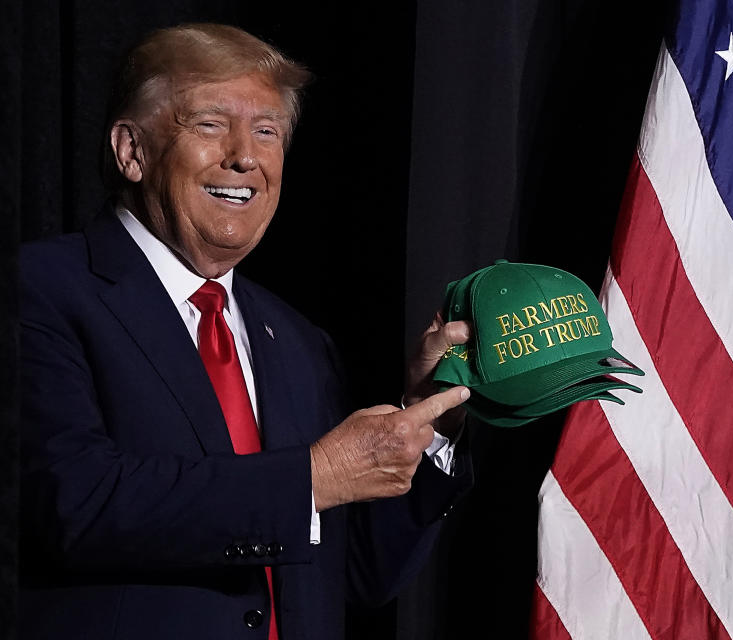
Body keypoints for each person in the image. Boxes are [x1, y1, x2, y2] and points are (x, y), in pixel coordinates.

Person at [18, 23, 472, 640]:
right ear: (132, 151)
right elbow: (74, 502)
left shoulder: (299, 342)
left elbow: (355, 579)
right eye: (209, 124)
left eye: (268, 132)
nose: (246, 156)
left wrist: (427, 417)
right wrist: (310, 477)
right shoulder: (40, 286)